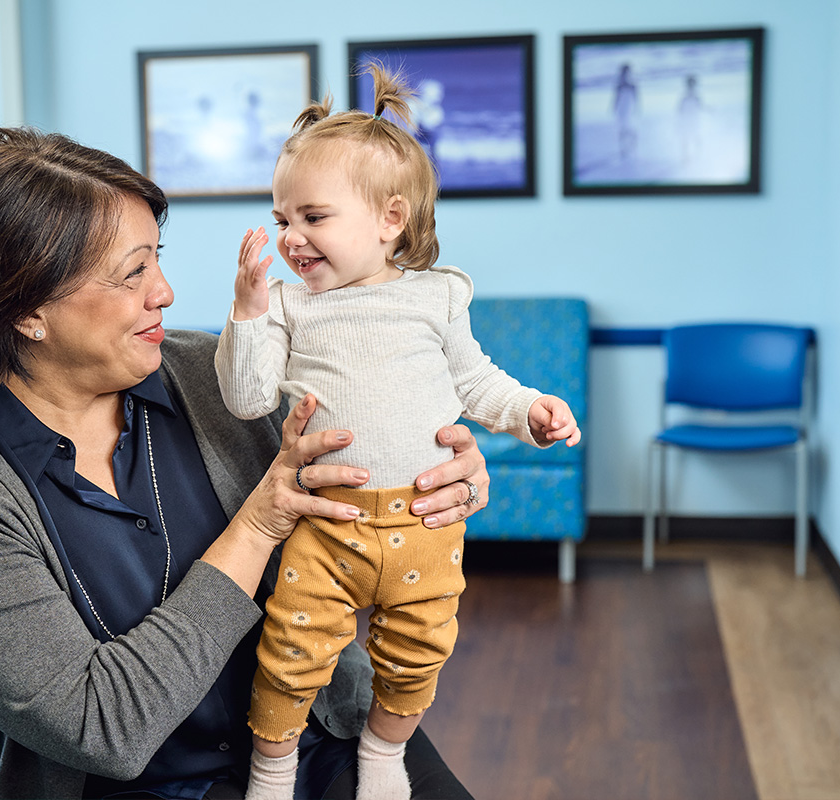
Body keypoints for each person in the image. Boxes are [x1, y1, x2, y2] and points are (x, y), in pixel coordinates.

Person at [0, 125, 493, 800]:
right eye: (133, 272)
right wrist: (257, 527)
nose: (165, 292)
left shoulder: (209, 375)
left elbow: (366, 456)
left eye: (157, 259)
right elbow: (104, 729)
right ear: (28, 309)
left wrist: (445, 474)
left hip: (317, 735)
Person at [214, 65, 582, 800]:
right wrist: (248, 308)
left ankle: (384, 750)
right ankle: (272, 767)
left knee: (418, 653)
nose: (291, 238)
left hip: (422, 518)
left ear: (391, 219)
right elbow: (248, 396)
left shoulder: (438, 297)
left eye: (313, 218)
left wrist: (531, 410)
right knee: (292, 655)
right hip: (327, 523)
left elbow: (475, 382)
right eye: (282, 219)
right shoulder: (288, 307)